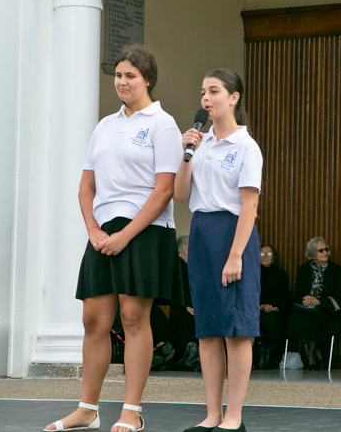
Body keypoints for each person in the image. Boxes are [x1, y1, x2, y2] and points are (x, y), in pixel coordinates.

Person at [45, 45, 184, 432]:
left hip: (144, 231)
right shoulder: (104, 125)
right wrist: (93, 229)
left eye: (131, 76)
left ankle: (132, 411)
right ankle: (87, 409)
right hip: (103, 232)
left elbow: (164, 190)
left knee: (133, 317)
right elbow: (85, 186)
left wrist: (125, 235)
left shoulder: (163, 124)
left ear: (148, 80)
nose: (122, 82)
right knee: (93, 320)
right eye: (119, 75)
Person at [174, 69, 262, 432]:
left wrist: (236, 254)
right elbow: (181, 195)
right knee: (208, 327)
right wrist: (186, 154)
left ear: (234, 98)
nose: (206, 99)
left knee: (236, 328)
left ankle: (234, 415)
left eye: (214, 91)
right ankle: (212, 413)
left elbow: (249, 206)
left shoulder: (245, 146)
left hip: (233, 233)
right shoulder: (202, 143)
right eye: (203, 92)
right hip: (202, 232)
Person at [287, 237, 341, 370]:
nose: (325, 253)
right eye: (321, 250)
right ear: (311, 253)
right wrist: (305, 299)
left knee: (314, 319)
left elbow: (340, 297)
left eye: (327, 249)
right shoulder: (303, 270)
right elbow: (297, 294)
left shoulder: (336, 270)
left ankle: (311, 353)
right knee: (298, 318)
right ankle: (317, 352)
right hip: (307, 309)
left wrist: (319, 301)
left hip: (330, 311)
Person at [256, 244, 289, 369]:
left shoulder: (281, 274)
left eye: (268, 254)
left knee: (275, 321)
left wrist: (276, 308)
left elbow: (285, 297)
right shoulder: (253, 274)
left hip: (276, 309)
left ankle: (272, 358)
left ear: (273, 257)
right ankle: (260, 358)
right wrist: (261, 306)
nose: (265, 256)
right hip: (257, 308)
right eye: (262, 254)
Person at [170, 235, 198, 368]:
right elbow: (175, 289)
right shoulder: (176, 265)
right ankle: (185, 357)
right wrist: (185, 305)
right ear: (183, 249)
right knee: (186, 318)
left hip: (191, 305)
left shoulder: (191, 266)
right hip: (178, 306)